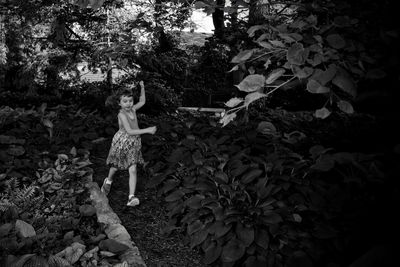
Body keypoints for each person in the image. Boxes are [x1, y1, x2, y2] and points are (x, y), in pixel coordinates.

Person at [101, 81, 157, 206]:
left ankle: (131, 197)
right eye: (125, 101)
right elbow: (130, 131)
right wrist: (147, 130)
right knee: (115, 167)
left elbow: (142, 101)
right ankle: (108, 181)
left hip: (134, 143)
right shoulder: (121, 114)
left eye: (130, 101)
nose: (128, 104)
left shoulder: (133, 109)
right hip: (122, 142)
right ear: (119, 103)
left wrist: (142, 87)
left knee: (133, 168)